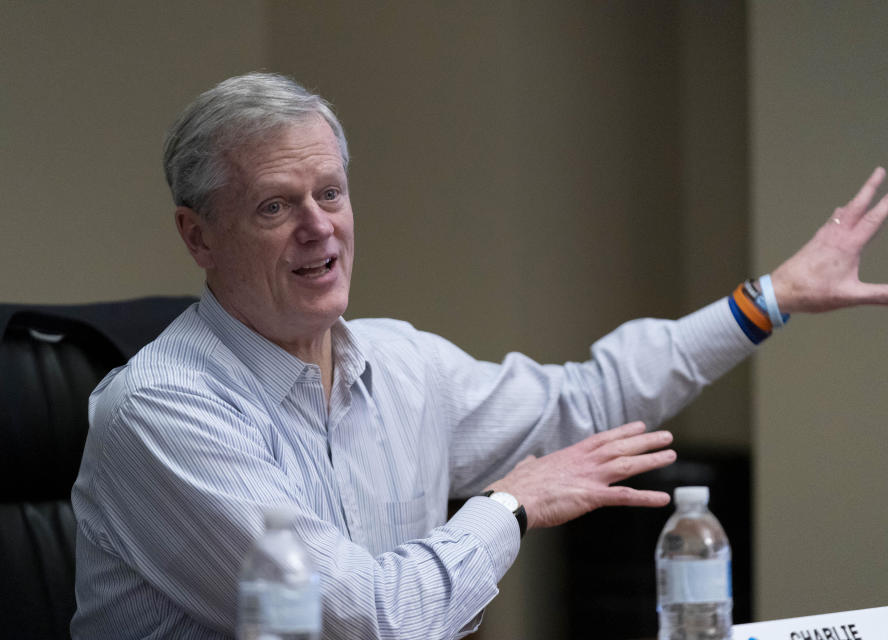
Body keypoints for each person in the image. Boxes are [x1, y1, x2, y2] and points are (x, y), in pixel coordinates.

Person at [70, 72, 888, 639]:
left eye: (331, 193)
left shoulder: (399, 362)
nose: (319, 227)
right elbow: (368, 621)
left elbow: (585, 399)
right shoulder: (160, 412)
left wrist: (769, 299)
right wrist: (507, 505)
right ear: (197, 235)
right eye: (275, 206)